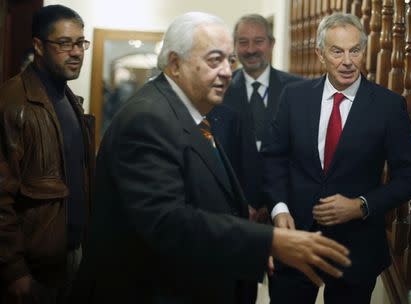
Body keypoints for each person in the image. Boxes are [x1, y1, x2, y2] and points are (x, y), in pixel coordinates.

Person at [71, 12, 351, 304]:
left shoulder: (191, 111)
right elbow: (167, 222)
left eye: (230, 60)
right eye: (214, 60)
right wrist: (269, 240)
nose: (228, 71)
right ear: (175, 64)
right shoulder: (148, 118)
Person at [262, 13, 411, 304]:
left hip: (356, 248)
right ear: (320, 53)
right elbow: (273, 158)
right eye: (337, 51)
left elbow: (410, 176)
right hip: (297, 237)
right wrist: (279, 209)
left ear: (364, 51)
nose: (347, 61)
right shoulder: (293, 97)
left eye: (355, 50)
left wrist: (362, 205)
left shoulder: (388, 106)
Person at [0, 4, 94, 304]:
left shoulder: (69, 99)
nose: (76, 52)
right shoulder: (13, 103)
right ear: (39, 46)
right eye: (64, 43)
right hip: (34, 269)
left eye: (81, 42)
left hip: (73, 254)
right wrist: (14, 270)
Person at [209, 14, 303, 215]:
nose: (251, 50)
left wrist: (277, 206)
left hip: (290, 209)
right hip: (235, 212)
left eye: (258, 42)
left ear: (271, 44)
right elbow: (216, 157)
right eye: (243, 42)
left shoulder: (299, 90)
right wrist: (243, 205)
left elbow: (303, 156)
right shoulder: (219, 90)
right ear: (234, 46)